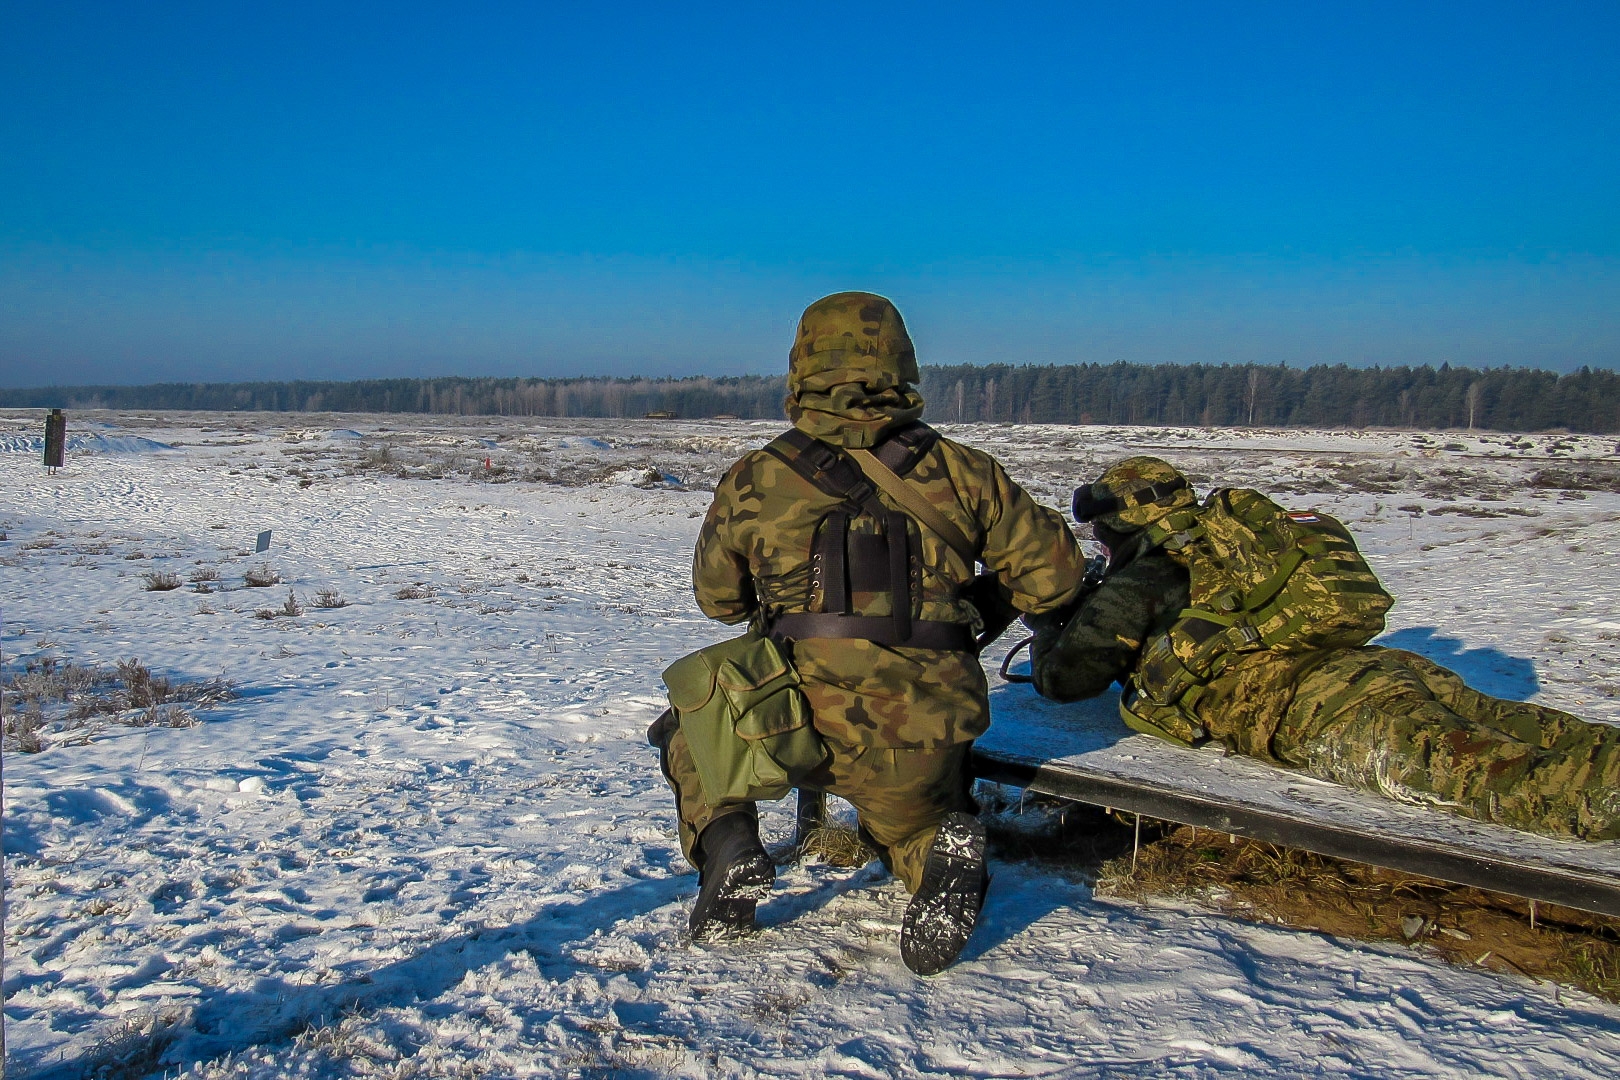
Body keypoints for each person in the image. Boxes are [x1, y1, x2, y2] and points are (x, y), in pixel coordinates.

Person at [651, 291, 1085, 974]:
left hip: (789, 722)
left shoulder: (757, 477)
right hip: (923, 723)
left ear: (802, 367)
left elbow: (719, 602)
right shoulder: (965, 472)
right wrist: (971, 602)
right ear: (903, 365)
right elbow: (1056, 580)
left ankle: (729, 841)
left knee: (684, 725)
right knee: (909, 826)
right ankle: (933, 851)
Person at [1027, 456, 1620, 842]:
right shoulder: (1227, 544)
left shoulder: (1148, 575)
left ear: (1125, 525)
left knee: (1500, 778)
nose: (1099, 544)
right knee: (1537, 731)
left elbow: (1065, 681)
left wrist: (1049, 621)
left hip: (1315, 705)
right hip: (1368, 668)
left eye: (1102, 532)